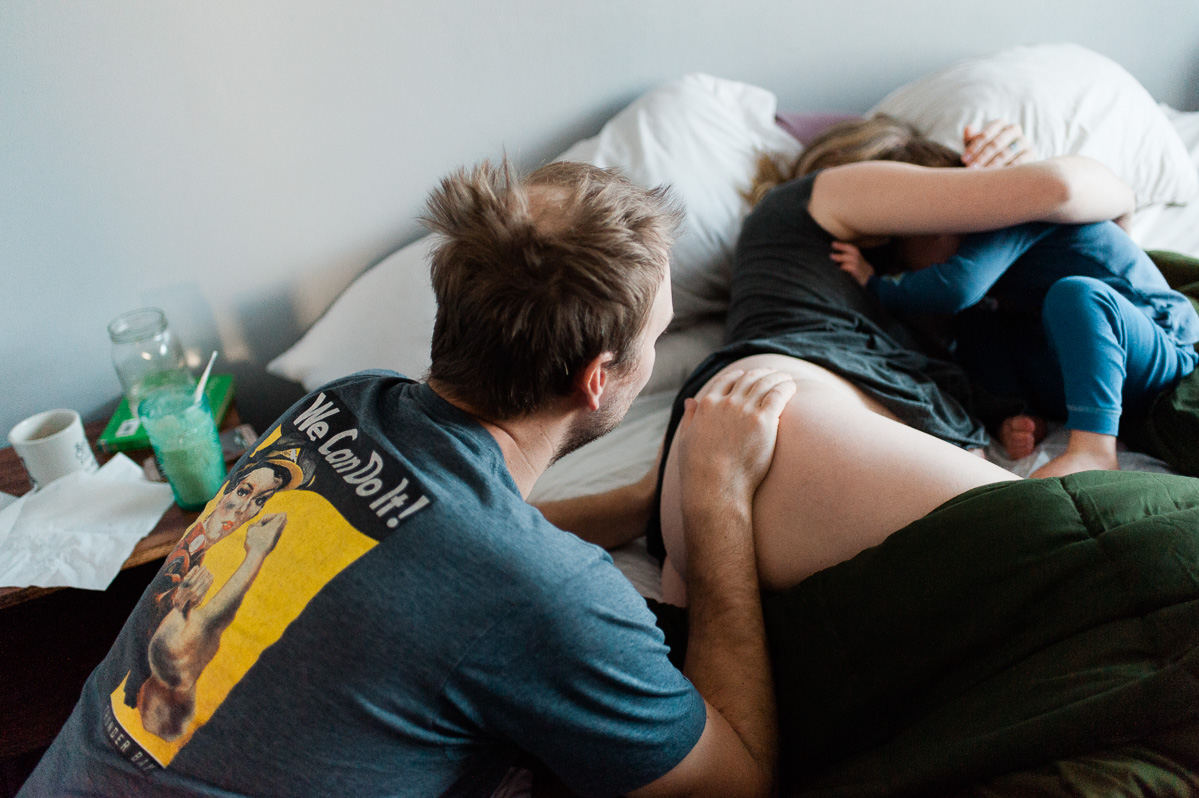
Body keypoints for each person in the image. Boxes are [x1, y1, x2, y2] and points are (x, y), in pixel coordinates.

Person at [19, 159, 795, 798]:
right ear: (597, 378)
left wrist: (635, 502)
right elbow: (733, 782)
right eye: (657, 335)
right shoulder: (550, 597)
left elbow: (437, 553)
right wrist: (716, 500)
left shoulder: (338, 408)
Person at [643, 114, 1140, 602]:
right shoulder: (825, 194)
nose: (976, 230)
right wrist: (1020, 180)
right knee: (1095, 544)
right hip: (784, 414)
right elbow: (1060, 189)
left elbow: (1108, 266)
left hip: (713, 479)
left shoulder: (912, 298)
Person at [834, 218, 1199, 478]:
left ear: (935, 227)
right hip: (1077, 365)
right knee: (979, 328)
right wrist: (1013, 416)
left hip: (1150, 344)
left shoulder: (1013, 216)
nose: (911, 272)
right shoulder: (995, 296)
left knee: (1075, 295)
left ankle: (1093, 448)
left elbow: (957, 286)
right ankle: (1024, 418)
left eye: (903, 261)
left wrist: (878, 284)